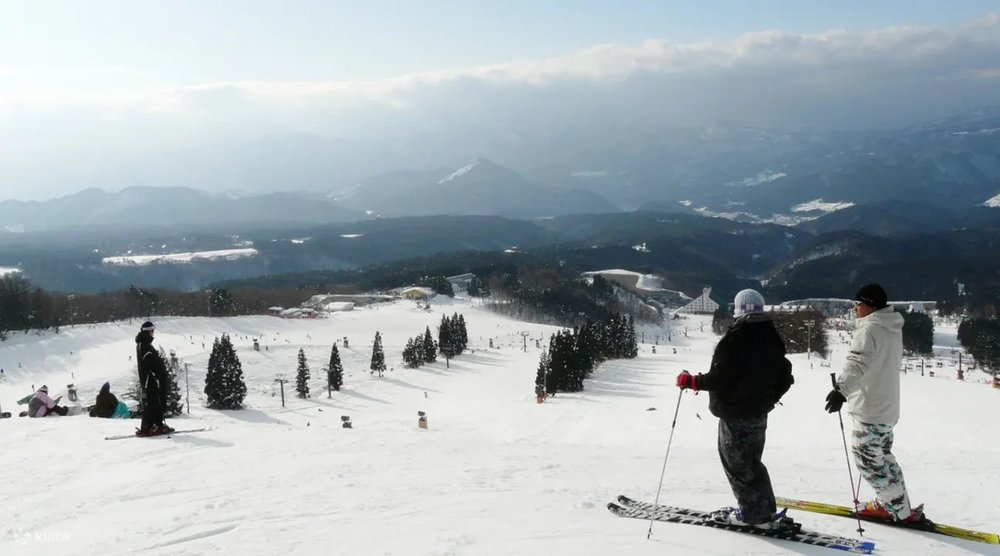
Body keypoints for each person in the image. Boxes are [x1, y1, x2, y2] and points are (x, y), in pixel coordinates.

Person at [676, 289, 794, 529]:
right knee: (752, 463)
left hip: (735, 413)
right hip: (759, 413)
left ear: (738, 310)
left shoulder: (736, 338)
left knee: (738, 466)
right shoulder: (771, 336)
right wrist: (768, 398)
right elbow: (785, 376)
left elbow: (721, 377)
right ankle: (763, 510)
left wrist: (692, 382)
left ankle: (754, 516)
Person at [824, 283, 919, 522]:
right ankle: (898, 505)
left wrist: (841, 392)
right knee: (884, 459)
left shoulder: (870, 330)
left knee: (869, 464)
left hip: (870, 409)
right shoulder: (891, 327)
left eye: (859, 303)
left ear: (871, 305)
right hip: (886, 407)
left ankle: (894, 509)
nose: (855, 308)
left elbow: (857, 363)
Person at [135, 321, 174, 435]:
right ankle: (148, 426)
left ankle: (158, 424)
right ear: (148, 332)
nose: (153, 333)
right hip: (150, 379)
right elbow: (149, 363)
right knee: (153, 402)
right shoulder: (145, 345)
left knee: (156, 402)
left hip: (152, 379)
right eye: (152, 331)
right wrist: (156, 376)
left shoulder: (144, 344)